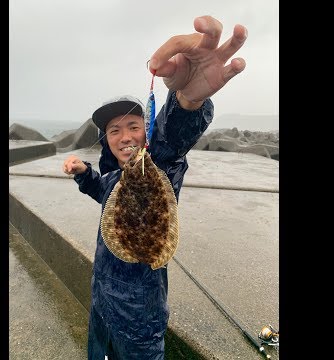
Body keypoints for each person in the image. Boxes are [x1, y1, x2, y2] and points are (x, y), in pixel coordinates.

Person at [62, 15, 247, 360]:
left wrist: (187, 101)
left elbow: (170, 140)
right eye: (113, 131)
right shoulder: (114, 176)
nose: (125, 136)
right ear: (106, 140)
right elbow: (103, 190)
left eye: (133, 126)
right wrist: (82, 172)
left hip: (139, 317)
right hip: (101, 301)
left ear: (146, 130)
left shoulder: (160, 162)